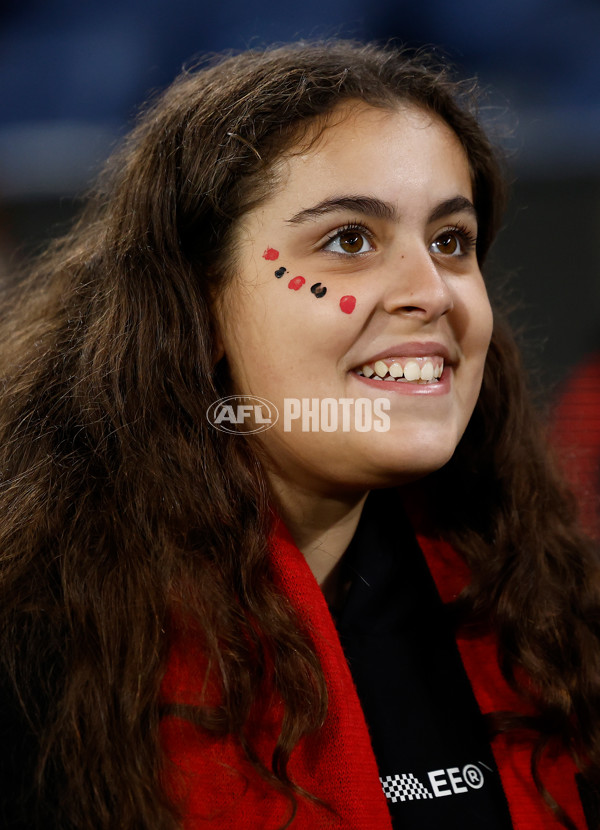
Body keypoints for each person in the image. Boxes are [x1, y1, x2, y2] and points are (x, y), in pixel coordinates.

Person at [0, 41, 599, 830]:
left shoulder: (550, 618)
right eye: (350, 240)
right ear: (200, 309)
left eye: (450, 241)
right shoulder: (36, 654)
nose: (432, 293)